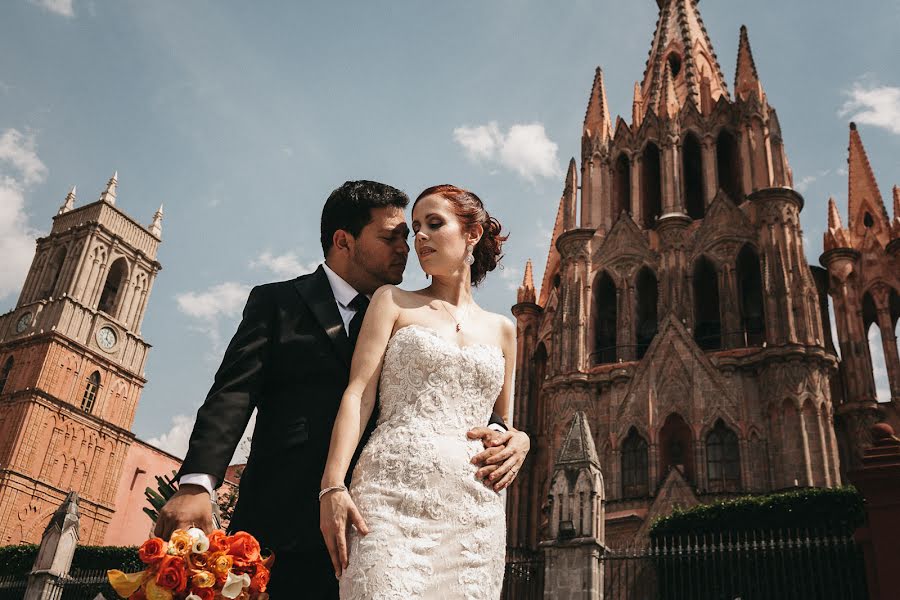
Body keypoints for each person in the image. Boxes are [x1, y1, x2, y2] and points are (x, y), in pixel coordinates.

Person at [153, 181, 530, 599]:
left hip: (393, 517)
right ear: (343, 241)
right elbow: (232, 394)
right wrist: (196, 484)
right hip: (289, 520)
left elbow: (491, 416)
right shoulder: (279, 303)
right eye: (392, 237)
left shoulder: (412, 310)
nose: (407, 246)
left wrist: (519, 438)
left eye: (413, 233)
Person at [320, 184, 518, 599]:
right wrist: (333, 486)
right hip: (389, 497)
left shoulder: (504, 329)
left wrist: (522, 440)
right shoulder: (392, 301)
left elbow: (501, 426)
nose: (419, 237)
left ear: (473, 233)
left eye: (434, 224)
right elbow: (358, 394)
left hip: (474, 512)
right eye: (414, 228)